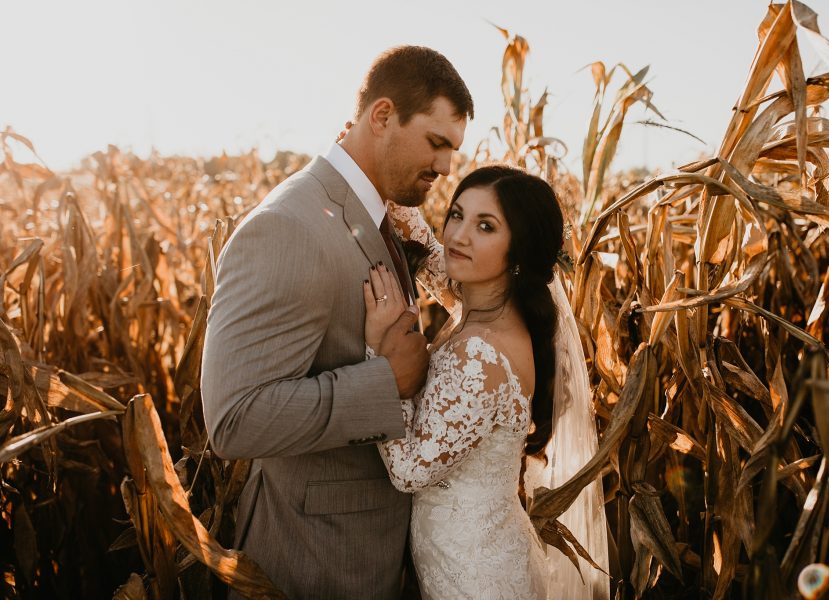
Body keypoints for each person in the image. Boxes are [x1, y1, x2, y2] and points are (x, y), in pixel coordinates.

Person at [200, 46, 474, 598]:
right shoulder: (289, 228)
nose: (447, 167)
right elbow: (234, 420)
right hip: (315, 560)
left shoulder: (376, 210)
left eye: (453, 149)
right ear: (381, 117)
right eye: (437, 142)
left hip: (370, 552)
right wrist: (386, 382)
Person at [364, 165, 609, 599]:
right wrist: (375, 166)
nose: (458, 235)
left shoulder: (482, 354)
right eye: (457, 214)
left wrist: (381, 354)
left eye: (486, 226)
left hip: (473, 578)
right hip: (485, 554)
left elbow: (407, 470)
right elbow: (433, 253)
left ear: (519, 250)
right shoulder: (486, 307)